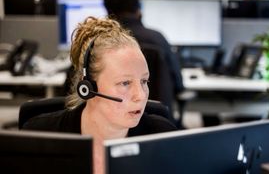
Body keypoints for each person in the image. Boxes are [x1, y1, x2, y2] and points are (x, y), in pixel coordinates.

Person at [22, 17, 177, 174]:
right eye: (125, 83)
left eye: (144, 81)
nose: (141, 95)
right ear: (87, 87)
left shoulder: (163, 137)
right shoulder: (40, 138)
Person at [103, 0, 185, 119]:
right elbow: (179, 85)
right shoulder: (157, 38)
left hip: (113, 123)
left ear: (107, 14)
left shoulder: (99, 43)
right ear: (138, 10)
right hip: (158, 122)